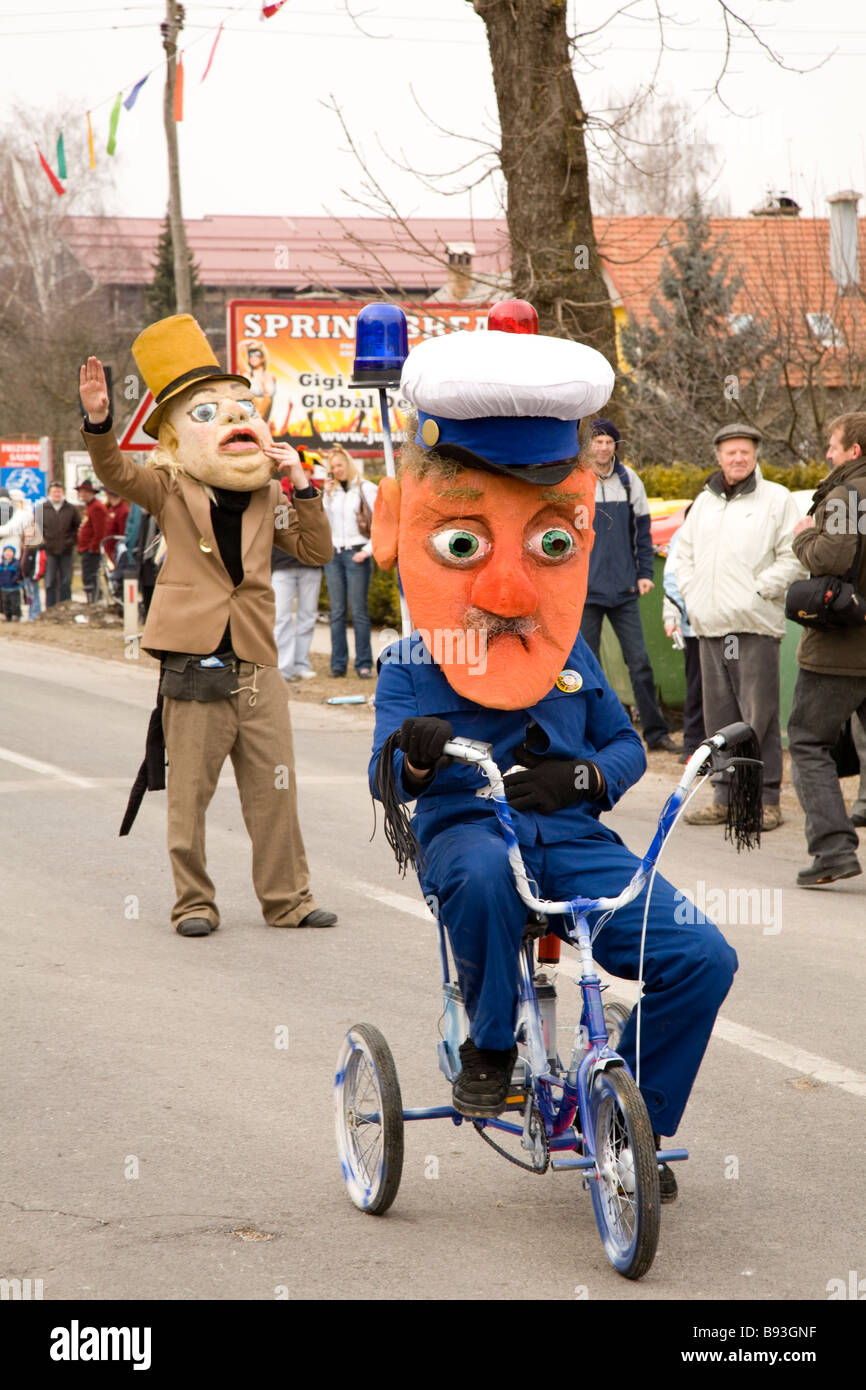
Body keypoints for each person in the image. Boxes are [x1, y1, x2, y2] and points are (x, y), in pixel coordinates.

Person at [368, 325, 738, 1199]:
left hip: (574, 840)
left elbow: (620, 745)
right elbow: (387, 775)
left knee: (703, 956)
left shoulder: (566, 651)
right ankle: (491, 1044)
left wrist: (588, 779)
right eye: (466, 543)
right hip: (468, 832)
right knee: (490, 876)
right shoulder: (414, 665)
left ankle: (630, 1123)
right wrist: (417, 763)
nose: (507, 591)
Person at [78, 313, 337, 936]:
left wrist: (300, 484)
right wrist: (98, 423)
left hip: (255, 662)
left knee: (275, 790)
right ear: (174, 437)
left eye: (240, 405)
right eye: (208, 412)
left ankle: (289, 900)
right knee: (189, 794)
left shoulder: (268, 493)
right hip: (194, 660)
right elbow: (116, 473)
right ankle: (193, 902)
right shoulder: (168, 487)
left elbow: (316, 552)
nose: (233, 417)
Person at [675, 423, 804, 832]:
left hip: (753, 627)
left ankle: (766, 801)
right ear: (718, 457)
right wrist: (693, 597)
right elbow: (683, 555)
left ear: (755, 455)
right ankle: (724, 796)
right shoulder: (704, 502)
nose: (737, 458)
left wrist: (760, 590)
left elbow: (793, 555)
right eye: (730, 452)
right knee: (719, 722)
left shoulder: (777, 500)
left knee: (758, 719)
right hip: (711, 628)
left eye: (744, 452)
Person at [787, 413, 866, 886]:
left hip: (841, 649)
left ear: (854, 450)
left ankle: (833, 850)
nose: (828, 455)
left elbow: (831, 558)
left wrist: (803, 533)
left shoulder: (847, 495)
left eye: (833, 447)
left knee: (808, 740)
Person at [579, 419, 677, 753]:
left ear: (615, 446)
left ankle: (655, 733)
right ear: (588, 445)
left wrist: (645, 573)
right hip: (585, 592)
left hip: (624, 591)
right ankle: (587, 734)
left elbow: (644, 532)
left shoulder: (628, 479)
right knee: (584, 666)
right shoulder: (576, 479)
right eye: (598, 441)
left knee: (640, 663)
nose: (603, 447)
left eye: (609, 441)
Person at [322, 446, 377, 678]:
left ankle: (363, 664)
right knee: (337, 612)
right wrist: (325, 495)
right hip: (334, 554)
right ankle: (338, 664)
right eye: (333, 467)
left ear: (348, 464)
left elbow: (382, 524)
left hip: (357, 553)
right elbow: (324, 523)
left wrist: (367, 550)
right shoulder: (331, 492)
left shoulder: (365, 488)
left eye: (340, 465)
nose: (337, 470)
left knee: (359, 612)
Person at [272, 462, 323, 682]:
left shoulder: (317, 495)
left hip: (310, 565)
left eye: (306, 471)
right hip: (282, 564)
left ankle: (301, 663)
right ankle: (283, 666)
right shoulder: (279, 493)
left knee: (307, 616)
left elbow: (319, 529)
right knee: (282, 616)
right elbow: (282, 529)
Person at [662, 509, 706, 762]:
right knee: (697, 685)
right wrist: (673, 616)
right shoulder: (684, 534)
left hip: (731, 624)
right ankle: (692, 744)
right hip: (694, 626)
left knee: (727, 687)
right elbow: (671, 578)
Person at [39, 481, 80, 607]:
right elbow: (37, 529)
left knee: (66, 581)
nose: (56, 494)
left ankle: (65, 606)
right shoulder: (42, 509)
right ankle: (50, 608)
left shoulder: (71, 509)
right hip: (49, 551)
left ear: (63, 493)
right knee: (50, 581)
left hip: (66, 550)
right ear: (49, 493)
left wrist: (70, 542)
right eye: (54, 491)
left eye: (59, 491)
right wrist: (43, 543)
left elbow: (77, 528)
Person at [76, 479, 109, 603]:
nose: (82, 494)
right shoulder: (90, 506)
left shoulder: (96, 508)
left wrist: (92, 548)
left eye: (85, 492)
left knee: (91, 577)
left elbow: (99, 531)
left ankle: (95, 602)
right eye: (81, 492)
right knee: (87, 577)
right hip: (86, 548)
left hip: (91, 551)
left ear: (92, 493)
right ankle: (92, 601)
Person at [0, 544, 22, 621]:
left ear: (13, 553)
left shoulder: (16, 563)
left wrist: (15, 580)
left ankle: (16, 615)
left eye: (10, 551)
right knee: (5, 603)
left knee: (15, 603)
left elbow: (18, 574)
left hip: (14, 588)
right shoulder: (2, 564)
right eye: (6, 551)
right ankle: (7, 616)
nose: (8, 553)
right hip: (4, 588)